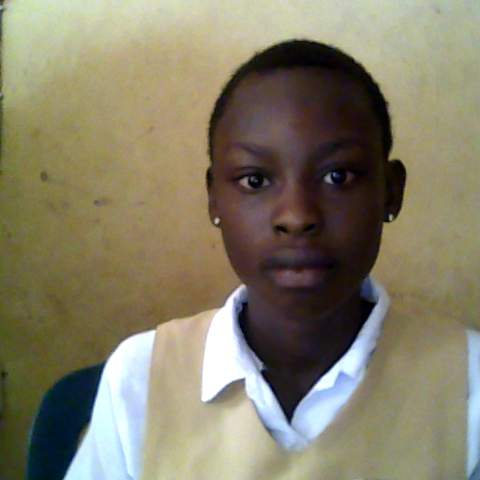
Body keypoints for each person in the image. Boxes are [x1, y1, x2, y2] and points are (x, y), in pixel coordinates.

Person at [64, 39, 480, 479]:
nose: (297, 217)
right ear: (214, 199)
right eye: (255, 180)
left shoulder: (468, 381)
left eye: (338, 176)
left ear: (391, 192)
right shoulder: (141, 378)